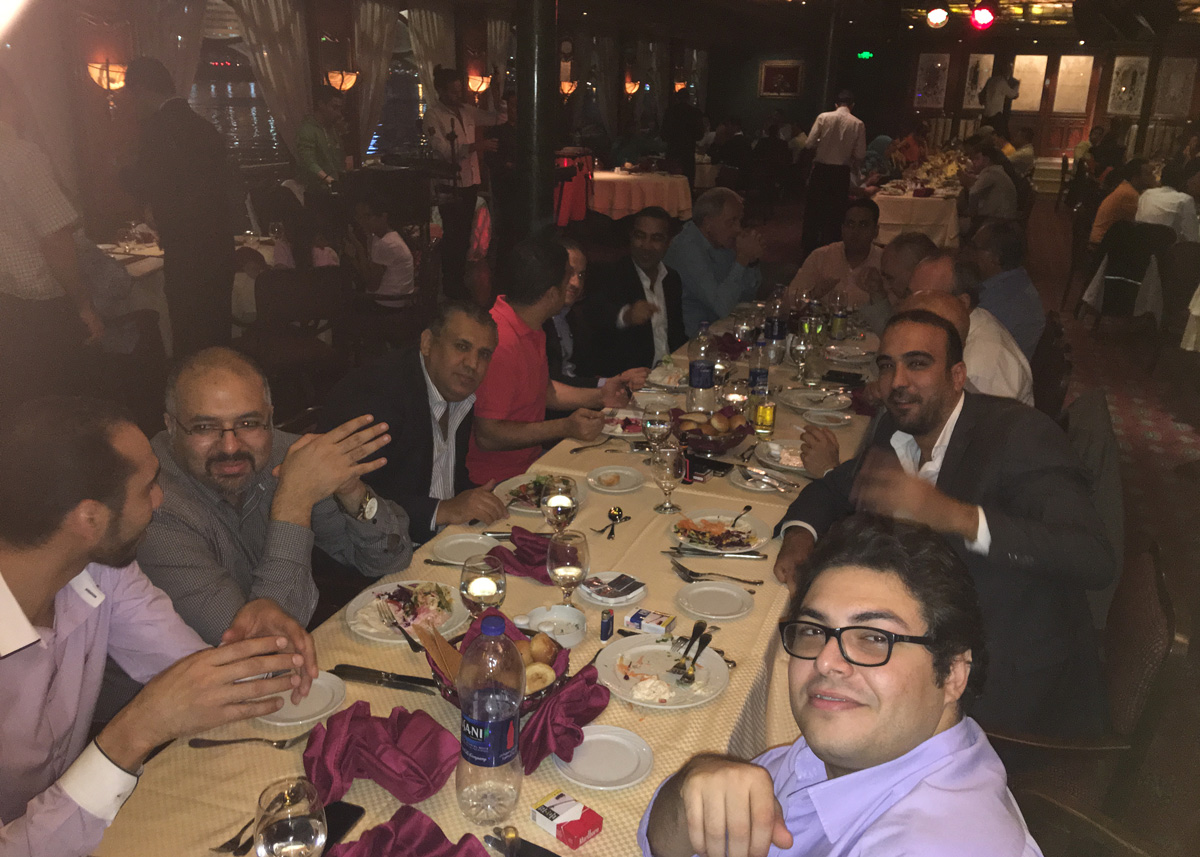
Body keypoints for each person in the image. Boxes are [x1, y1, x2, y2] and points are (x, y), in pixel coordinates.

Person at [772, 309, 1115, 738]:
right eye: (887, 366)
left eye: (917, 364)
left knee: (820, 685)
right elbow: (831, 489)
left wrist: (956, 516)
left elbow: (1092, 556)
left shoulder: (1019, 435)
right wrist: (799, 538)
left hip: (1006, 683)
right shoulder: (895, 431)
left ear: (957, 376)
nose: (897, 382)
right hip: (914, 642)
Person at [0, 396, 318, 857]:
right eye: (149, 486)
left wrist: (254, 646)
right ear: (90, 518)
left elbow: (193, 675)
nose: (160, 499)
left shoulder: (100, 571)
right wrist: (135, 730)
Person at [640, 514, 1044, 857]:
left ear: (953, 673)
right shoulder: (849, 754)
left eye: (874, 638)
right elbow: (663, 841)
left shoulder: (933, 843)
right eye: (813, 630)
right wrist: (692, 784)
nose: (826, 660)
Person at [136, 348, 413, 644]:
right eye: (204, 427)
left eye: (248, 423)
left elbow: (388, 560)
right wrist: (294, 503)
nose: (230, 447)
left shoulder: (284, 454)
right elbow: (259, 645)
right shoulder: (151, 505)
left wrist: (351, 490)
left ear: (269, 417)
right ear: (171, 426)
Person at [319, 302, 509, 545]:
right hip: (376, 551)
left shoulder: (455, 389)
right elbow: (351, 497)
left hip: (437, 537)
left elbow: (444, 477)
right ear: (427, 343)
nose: (473, 364)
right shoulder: (376, 397)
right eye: (462, 347)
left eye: (484, 354)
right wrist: (440, 510)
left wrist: (475, 497)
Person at [466, 236, 636, 484]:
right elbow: (488, 436)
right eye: (567, 278)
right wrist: (565, 426)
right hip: (497, 482)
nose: (574, 284)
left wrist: (601, 396)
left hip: (532, 463)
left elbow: (543, 390)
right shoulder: (500, 340)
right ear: (551, 294)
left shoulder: (530, 324)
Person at [0, 69, 103, 410]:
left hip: (6, 308)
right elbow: (55, 239)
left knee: (15, 409)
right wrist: (83, 304)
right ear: (11, 98)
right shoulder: (21, 157)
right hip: (36, 313)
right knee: (60, 408)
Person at [119, 57, 235, 358]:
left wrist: (120, 169)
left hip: (186, 250)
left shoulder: (156, 129)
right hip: (220, 248)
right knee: (218, 333)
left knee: (189, 336)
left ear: (141, 89)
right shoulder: (204, 127)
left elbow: (145, 181)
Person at [424, 66, 502, 300]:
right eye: (453, 91)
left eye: (459, 90)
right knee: (452, 235)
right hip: (449, 184)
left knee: (465, 233)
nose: (457, 95)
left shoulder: (467, 111)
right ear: (440, 90)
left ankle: (458, 282)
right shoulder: (433, 115)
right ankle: (450, 285)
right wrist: (476, 147)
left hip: (470, 180)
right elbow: (443, 151)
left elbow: (497, 118)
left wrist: (495, 95)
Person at [589, 206, 688, 376]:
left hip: (670, 374)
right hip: (632, 378)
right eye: (640, 236)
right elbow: (596, 318)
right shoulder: (611, 274)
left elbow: (676, 334)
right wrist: (627, 316)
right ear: (631, 236)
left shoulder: (671, 279)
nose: (646, 246)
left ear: (668, 243)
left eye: (656, 238)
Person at [665, 187, 763, 335]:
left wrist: (751, 262)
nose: (738, 229)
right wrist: (742, 258)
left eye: (739, 220)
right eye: (731, 222)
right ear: (708, 223)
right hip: (692, 337)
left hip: (719, 329)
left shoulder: (720, 242)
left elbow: (745, 299)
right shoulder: (687, 249)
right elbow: (723, 308)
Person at [801, 90, 867, 258]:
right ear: (852, 105)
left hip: (821, 170)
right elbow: (860, 154)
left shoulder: (823, 117)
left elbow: (809, 144)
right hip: (840, 173)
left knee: (814, 212)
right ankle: (833, 251)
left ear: (836, 104)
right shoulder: (858, 124)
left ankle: (808, 251)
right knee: (836, 214)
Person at [787, 198, 883, 309]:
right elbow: (790, 300)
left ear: (875, 231)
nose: (855, 231)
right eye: (850, 224)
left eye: (863, 225)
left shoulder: (884, 262)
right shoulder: (821, 257)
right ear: (842, 228)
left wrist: (879, 294)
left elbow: (895, 309)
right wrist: (813, 294)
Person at [969, 220, 1045, 359]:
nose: (969, 253)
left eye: (975, 247)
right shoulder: (1014, 281)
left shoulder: (1006, 299)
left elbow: (970, 337)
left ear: (995, 258)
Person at [858, 231, 939, 335]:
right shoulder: (913, 303)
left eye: (890, 278)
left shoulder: (934, 315)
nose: (885, 286)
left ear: (917, 272)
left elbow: (894, 336)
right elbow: (889, 330)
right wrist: (877, 293)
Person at [343, 195, 415, 308]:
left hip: (387, 303)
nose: (363, 222)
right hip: (394, 299)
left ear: (383, 217)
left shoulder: (387, 243)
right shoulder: (381, 237)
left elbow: (371, 285)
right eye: (359, 217)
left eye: (367, 216)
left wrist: (357, 252)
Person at [1089, 158, 1155, 248]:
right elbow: (1142, 220)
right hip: (1102, 244)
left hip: (1105, 239)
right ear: (1135, 177)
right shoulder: (1129, 194)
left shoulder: (1126, 188)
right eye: (1149, 174)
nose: (1154, 177)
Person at [295, 87, 346, 195]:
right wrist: (330, 180)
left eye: (339, 109)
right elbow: (309, 163)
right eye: (334, 108)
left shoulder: (331, 129)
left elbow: (338, 160)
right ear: (321, 105)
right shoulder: (307, 129)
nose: (338, 113)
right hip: (317, 192)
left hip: (334, 187)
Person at [1135, 160, 1200, 243]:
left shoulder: (1146, 194)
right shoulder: (1184, 200)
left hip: (1140, 243)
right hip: (1166, 248)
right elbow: (1192, 238)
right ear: (1182, 182)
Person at [960, 143, 1019, 231]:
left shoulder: (990, 173)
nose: (974, 162)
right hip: (1004, 217)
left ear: (986, 160)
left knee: (955, 225)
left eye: (977, 159)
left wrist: (971, 214)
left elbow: (973, 193)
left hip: (997, 222)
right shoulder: (996, 170)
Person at [661, 88, 705, 188]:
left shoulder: (670, 112)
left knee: (670, 182)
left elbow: (663, 134)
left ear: (677, 98)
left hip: (673, 151)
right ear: (688, 98)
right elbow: (699, 135)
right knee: (687, 182)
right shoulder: (695, 112)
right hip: (688, 152)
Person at [979, 62, 1020, 139]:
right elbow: (1013, 94)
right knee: (1002, 137)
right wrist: (1017, 85)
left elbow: (982, 94)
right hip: (996, 114)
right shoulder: (1002, 82)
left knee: (984, 135)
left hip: (986, 113)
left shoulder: (991, 80)